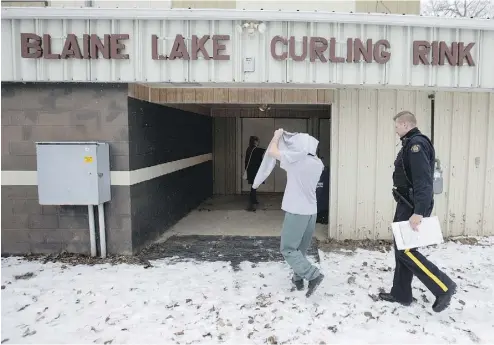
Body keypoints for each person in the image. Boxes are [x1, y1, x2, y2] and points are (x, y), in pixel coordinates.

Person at [379, 111, 457, 313]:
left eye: (397, 126)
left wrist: (419, 212)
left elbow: (423, 180)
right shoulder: (410, 143)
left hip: (412, 206)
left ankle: (443, 287)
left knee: (406, 252)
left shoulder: (416, 145)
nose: (395, 130)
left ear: (405, 124)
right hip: (407, 203)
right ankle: (401, 294)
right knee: (402, 249)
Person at [266, 128, 325, 297]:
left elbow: (272, 151)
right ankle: (298, 278)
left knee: (288, 249)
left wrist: (277, 136)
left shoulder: (295, 161)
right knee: (300, 249)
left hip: (296, 211)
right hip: (311, 212)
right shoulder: (318, 163)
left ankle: (313, 275)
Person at [244, 136, 265, 211]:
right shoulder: (256, 150)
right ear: (254, 141)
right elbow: (263, 152)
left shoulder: (249, 149)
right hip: (255, 171)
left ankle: (253, 200)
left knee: (254, 186)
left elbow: (246, 161)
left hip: (250, 171)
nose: (258, 142)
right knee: (254, 187)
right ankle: (252, 202)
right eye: (257, 141)